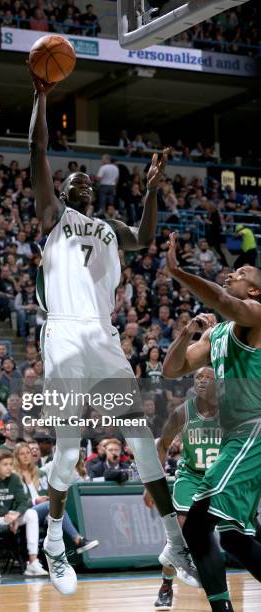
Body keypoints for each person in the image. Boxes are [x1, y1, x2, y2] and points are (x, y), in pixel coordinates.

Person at [28, 70, 197, 595]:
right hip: (63, 334)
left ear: (95, 191)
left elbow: (145, 237)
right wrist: (40, 97)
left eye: (85, 181)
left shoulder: (109, 229)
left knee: (143, 441)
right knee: (68, 449)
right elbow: (37, 150)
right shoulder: (54, 217)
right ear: (64, 189)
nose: (79, 182)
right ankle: (55, 542)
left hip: (102, 338)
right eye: (72, 179)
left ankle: (176, 542)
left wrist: (150, 191)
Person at [163, 232, 261, 612]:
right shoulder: (216, 333)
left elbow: (222, 300)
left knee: (199, 525)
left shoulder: (256, 315)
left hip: (254, 429)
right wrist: (187, 333)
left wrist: (176, 271)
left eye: (241, 273)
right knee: (232, 538)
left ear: (253, 291)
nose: (230, 275)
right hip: (236, 438)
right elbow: (172, 370)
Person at [145, 367, 221, 611]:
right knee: (179, 533)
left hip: (220, 479)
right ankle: (166, 585)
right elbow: (162, 444)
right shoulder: (182, 412)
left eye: (208, 377)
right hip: (190, 476)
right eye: (198, 376)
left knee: (238, 533)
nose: (202, 380)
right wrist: (152, 485)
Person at [0, 449, 48, 579]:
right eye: (5, 464)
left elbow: (23, 502)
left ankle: (33, 562)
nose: (9, 468)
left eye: (11, 464)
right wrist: (9, 515)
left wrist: (15, 515)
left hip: (7, 517)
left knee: (31, 514)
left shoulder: (14, 479)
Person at [13, 443, 99, 555]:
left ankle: (61, 555)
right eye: (21, 454)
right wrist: (35, 501)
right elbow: (14, 502)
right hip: (22, 513)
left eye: (28, 453)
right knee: (53, 506)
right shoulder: (13, 476)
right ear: (16, 457)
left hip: (42, 511)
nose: (25, 456)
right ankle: (78, 540)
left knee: (56, 507)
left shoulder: (40, 473)